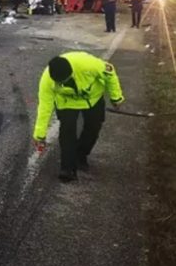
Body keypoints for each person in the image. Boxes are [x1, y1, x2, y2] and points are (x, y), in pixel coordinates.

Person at [33, 52, 124, 181]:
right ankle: (67, 168)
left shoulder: (89, 64)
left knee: (93, 129)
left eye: (66, 80)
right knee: (67, 131)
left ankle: (81, 155)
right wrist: (39, 135)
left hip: (93, 98)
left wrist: (116, 97)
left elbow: (110, 74)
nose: (63, 84)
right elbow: (44, 107)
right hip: (66, 102)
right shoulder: (47, 80)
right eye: (60, 82)